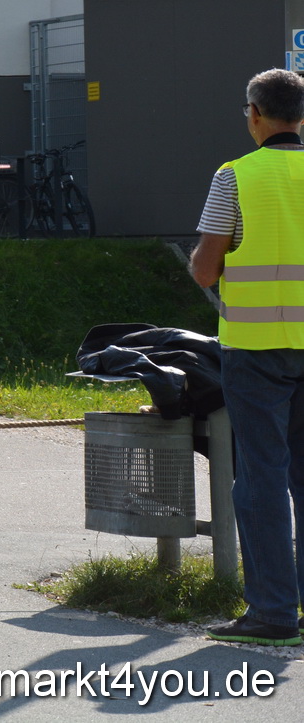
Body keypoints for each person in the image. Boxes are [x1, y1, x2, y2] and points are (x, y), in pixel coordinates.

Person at [189, 67, 304, 647]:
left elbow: (207, 268)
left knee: (261, 477)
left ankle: (274, 615)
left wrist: (209, 276)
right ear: (301, 117)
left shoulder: (234, 177)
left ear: (256, 114)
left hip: (256, 351)